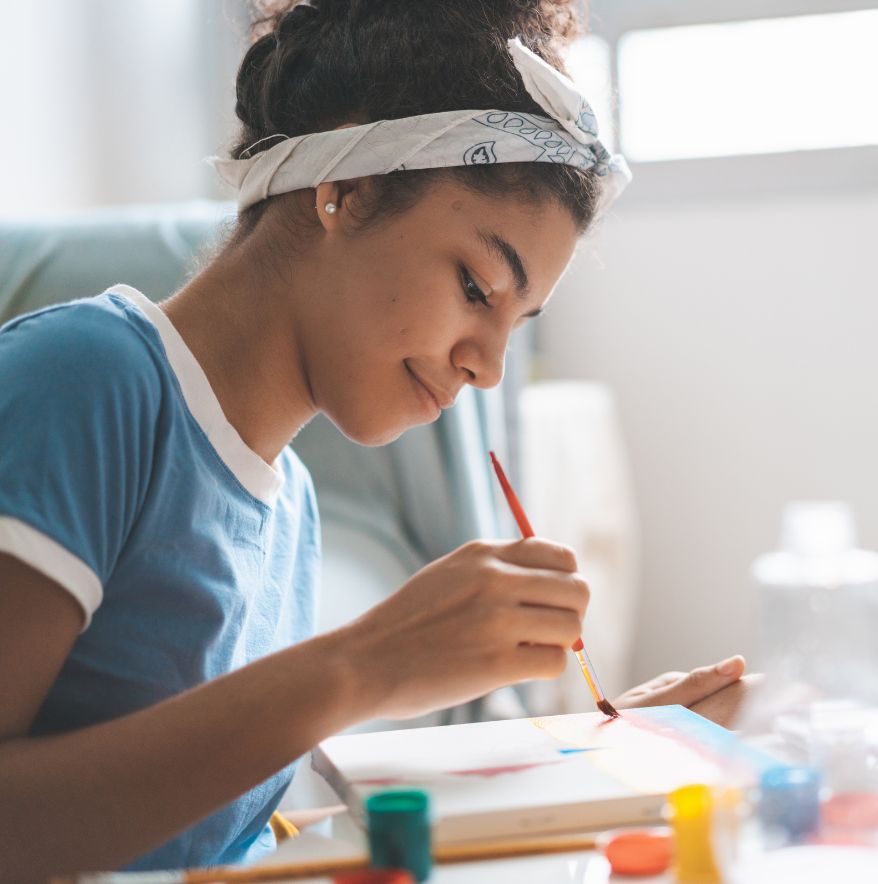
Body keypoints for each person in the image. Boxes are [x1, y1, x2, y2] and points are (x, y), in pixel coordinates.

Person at [0, 1, 750, 880]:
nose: (487, 369)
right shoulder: (86, 378)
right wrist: (361, 666)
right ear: (346, 190)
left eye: (518, 322)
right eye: (476, 286)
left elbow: (194, 834)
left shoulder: (289, 504)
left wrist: (578, 753)